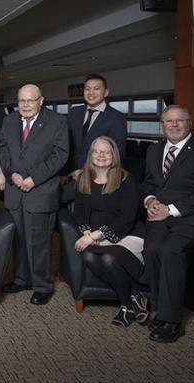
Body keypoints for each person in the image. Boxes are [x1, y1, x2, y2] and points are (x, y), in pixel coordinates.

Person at [142, 105, 194, 343]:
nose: (174, 125)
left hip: (191, 218)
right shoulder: (153, 150)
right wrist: (150, 200)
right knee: (151, 250)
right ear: (162, 125)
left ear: (189, 123)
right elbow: (148, 183)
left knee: (170, 251)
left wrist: (169, 210)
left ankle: (172, 321)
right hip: (159, 216)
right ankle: (161, 310)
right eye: (168, 121)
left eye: (179, 120)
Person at [0, 83, 69, 305]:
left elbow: (60, 155)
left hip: (40, 190)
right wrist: (13, 174)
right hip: (14, 190)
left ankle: (42, 285)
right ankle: (21, 278)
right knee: (18, 239)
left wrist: (33, 179)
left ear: (41, 100)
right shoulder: (9, 120)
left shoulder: (57, 121)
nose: (26, 105)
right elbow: (2, 148)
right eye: (21, 101)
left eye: (30, 100)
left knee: (39, 241)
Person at [73, 136, 147, 327]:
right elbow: (79, 212)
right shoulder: (84, 178)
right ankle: (134, 297)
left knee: (107, 259)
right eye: (97, 151)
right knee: (88, 257)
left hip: (128, 234)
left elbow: (127, 219)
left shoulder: (126, 179)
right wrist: (87, 233)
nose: (101, 155)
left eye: (107, 151)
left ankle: (126, 306)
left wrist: (96, 236)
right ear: (91, 155)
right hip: (97, 236)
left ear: (114, 155)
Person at [64, 74, 127, 182]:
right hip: (70, 176)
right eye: (87, 89)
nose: (91, 93)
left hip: (98, 177)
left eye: (96, 89)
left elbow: (117, 152)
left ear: (106, 92)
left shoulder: (116, 117)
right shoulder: (74, 112)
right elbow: (65, 143)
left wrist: (87, 172)